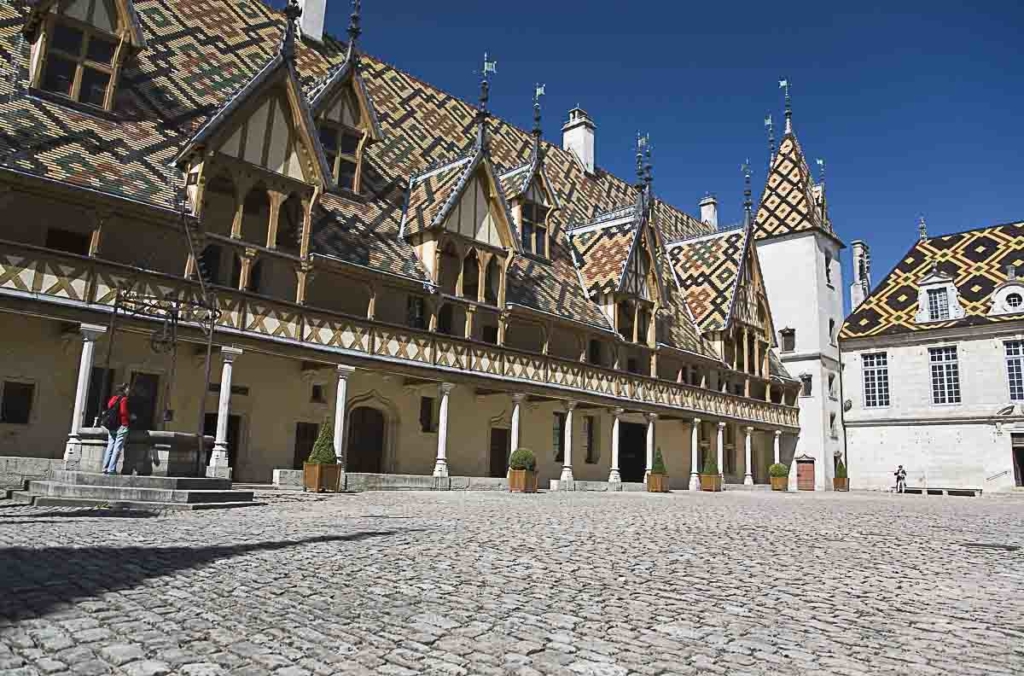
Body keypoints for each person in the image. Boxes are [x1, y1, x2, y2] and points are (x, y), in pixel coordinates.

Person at [101, 384, 131, 475]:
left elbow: (109, 407)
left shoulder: (113, 398)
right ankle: (111, 469)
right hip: (121, 425)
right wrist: (130, 417)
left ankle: (104, 468)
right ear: (124, 390)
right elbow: (123, 412)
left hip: (112, 425)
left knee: (110, 446)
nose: (129, 391)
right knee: (117, 448)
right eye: (128, 389)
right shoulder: (124, 399)